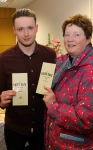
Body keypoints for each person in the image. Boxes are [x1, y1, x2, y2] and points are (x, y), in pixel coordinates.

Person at [0, 8, 56, 150]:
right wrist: (0, 100)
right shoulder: (3, 58)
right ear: (14, 30)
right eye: (21, 29)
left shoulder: (50, 55)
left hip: (43, 129)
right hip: (15, 130)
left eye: (30, 28)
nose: (26, 34)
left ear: (37, 28)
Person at [43, 14, 93, 149]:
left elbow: (87, 119)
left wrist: (53, 105)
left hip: (74, 145)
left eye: (77, 35)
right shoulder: (62, 63)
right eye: (67, 34)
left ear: (88, 39)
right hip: (56, 141)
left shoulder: (90, 71)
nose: (70, 39)